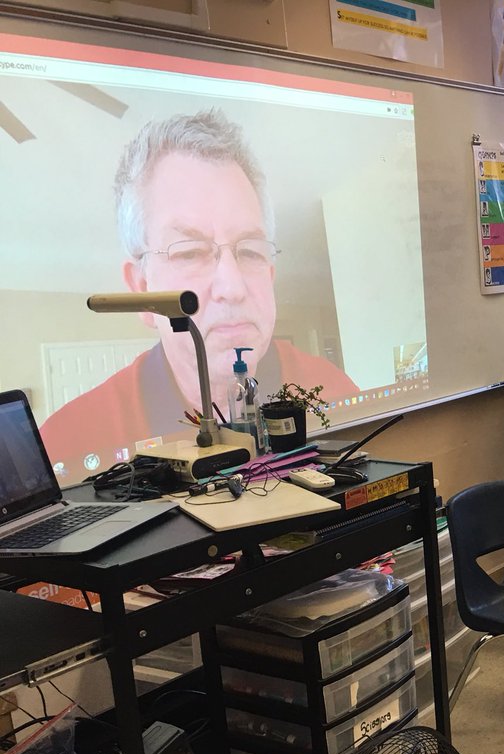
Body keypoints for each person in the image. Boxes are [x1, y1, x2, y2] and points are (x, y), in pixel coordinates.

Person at [39, 108, 358, 479]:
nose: (232, 287)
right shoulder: (68, 441)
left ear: (270, 275)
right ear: (141, 289)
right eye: (189, 252)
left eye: (251, 250)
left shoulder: (331, 387)